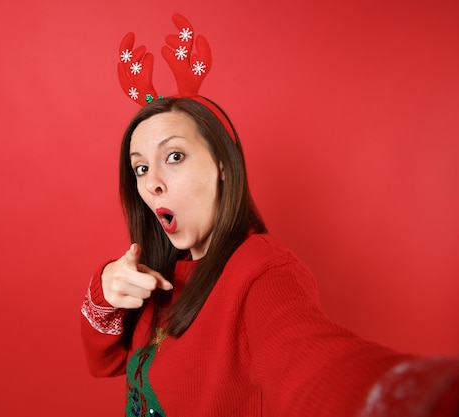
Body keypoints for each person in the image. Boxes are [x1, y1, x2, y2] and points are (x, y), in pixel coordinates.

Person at [80, 15, 459, 417]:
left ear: (222, 164)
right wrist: (104, 292)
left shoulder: (262, 269)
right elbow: (104, 363)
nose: (152, 182)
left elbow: (311, 361)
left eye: (174, 156)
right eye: (140, 168)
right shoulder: (159, 273)